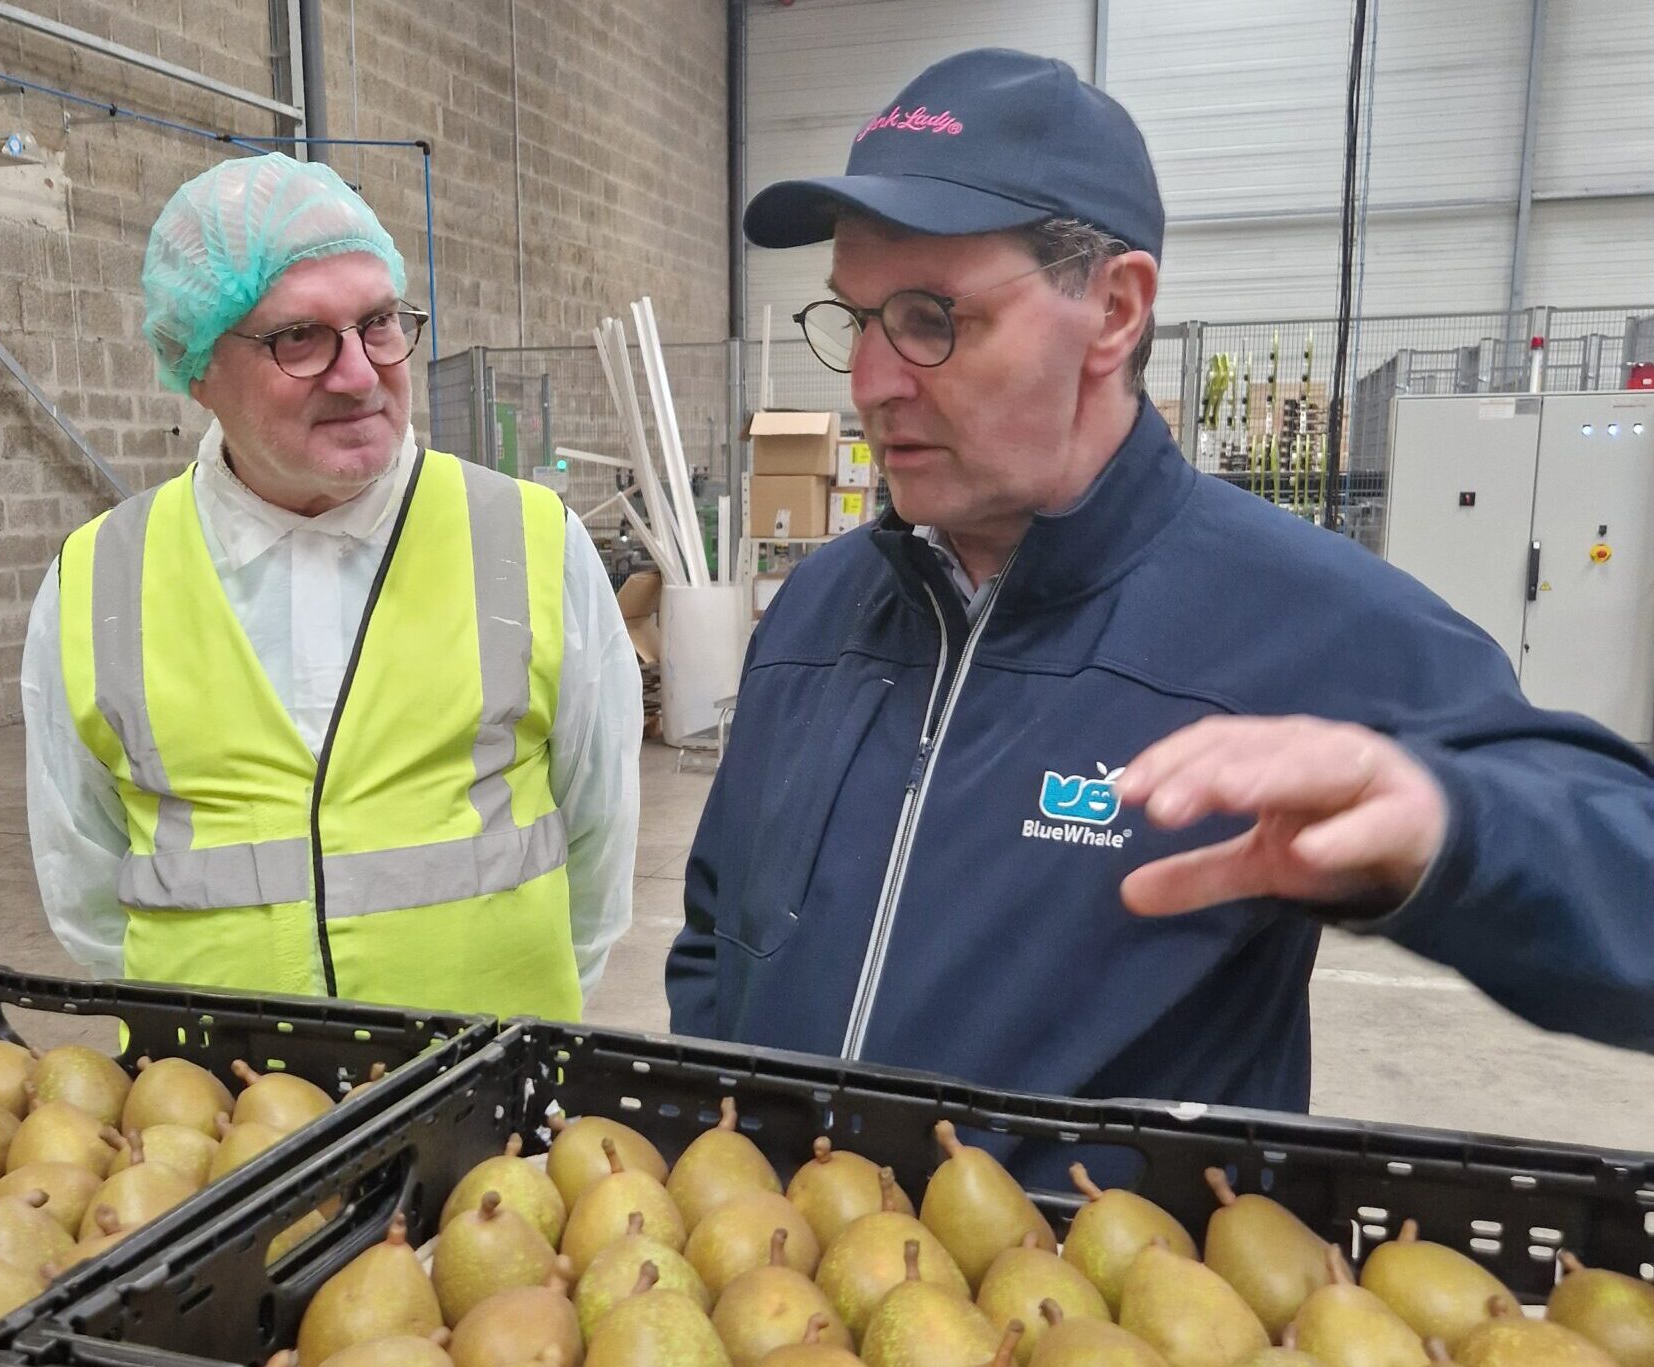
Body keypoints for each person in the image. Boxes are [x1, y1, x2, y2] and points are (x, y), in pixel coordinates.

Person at [666, 49, 1654, 1113]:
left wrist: (1455, 832)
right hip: (783, 1265)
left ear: (1116, 309)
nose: (870, 384)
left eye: (929, 319)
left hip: (1093, 1271)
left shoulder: (1298, 621)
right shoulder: (818, 612)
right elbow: (717, 933)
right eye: (855, 320)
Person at [23, 153, 640, 1019]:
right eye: (299, 339)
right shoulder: (99, 580)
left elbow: (600, 843)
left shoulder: (529, 543)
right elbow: (84, 887)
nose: (359, 373)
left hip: (488, 1117)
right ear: (197, 364)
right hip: (213, 1119)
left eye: (379, 323)